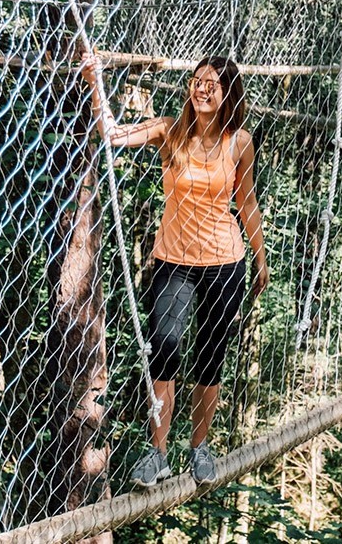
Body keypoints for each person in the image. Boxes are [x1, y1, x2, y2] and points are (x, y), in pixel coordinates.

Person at [79, 53, 269, 488]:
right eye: (197, 81)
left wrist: (259, 256)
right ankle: (158, 452)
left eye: (212, 84)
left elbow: (246, 202)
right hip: (174, 260)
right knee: (163, 347)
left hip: (225, 262)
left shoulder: (239, 142)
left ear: (227, 95)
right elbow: (111, 135)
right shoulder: (171, 131)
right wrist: (95, 82)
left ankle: (199, 447)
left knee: (210, 357)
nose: (202, 89)